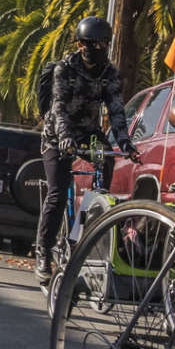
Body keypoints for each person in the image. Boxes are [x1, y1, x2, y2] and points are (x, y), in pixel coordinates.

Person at [33, 16, 130, 281]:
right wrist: (64, 139)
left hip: (88, 135)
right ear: (79, 44)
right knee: (57, 193)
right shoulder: (64, 68)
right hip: (57, 136)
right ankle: (43, 251)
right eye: (87, 43)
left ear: (106, 45)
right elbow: (59, 107)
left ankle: (85, 220)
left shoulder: (109, 73)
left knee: (107, 161)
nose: (92, 49)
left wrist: (125, 142)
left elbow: (117, 110)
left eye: (99, 44)